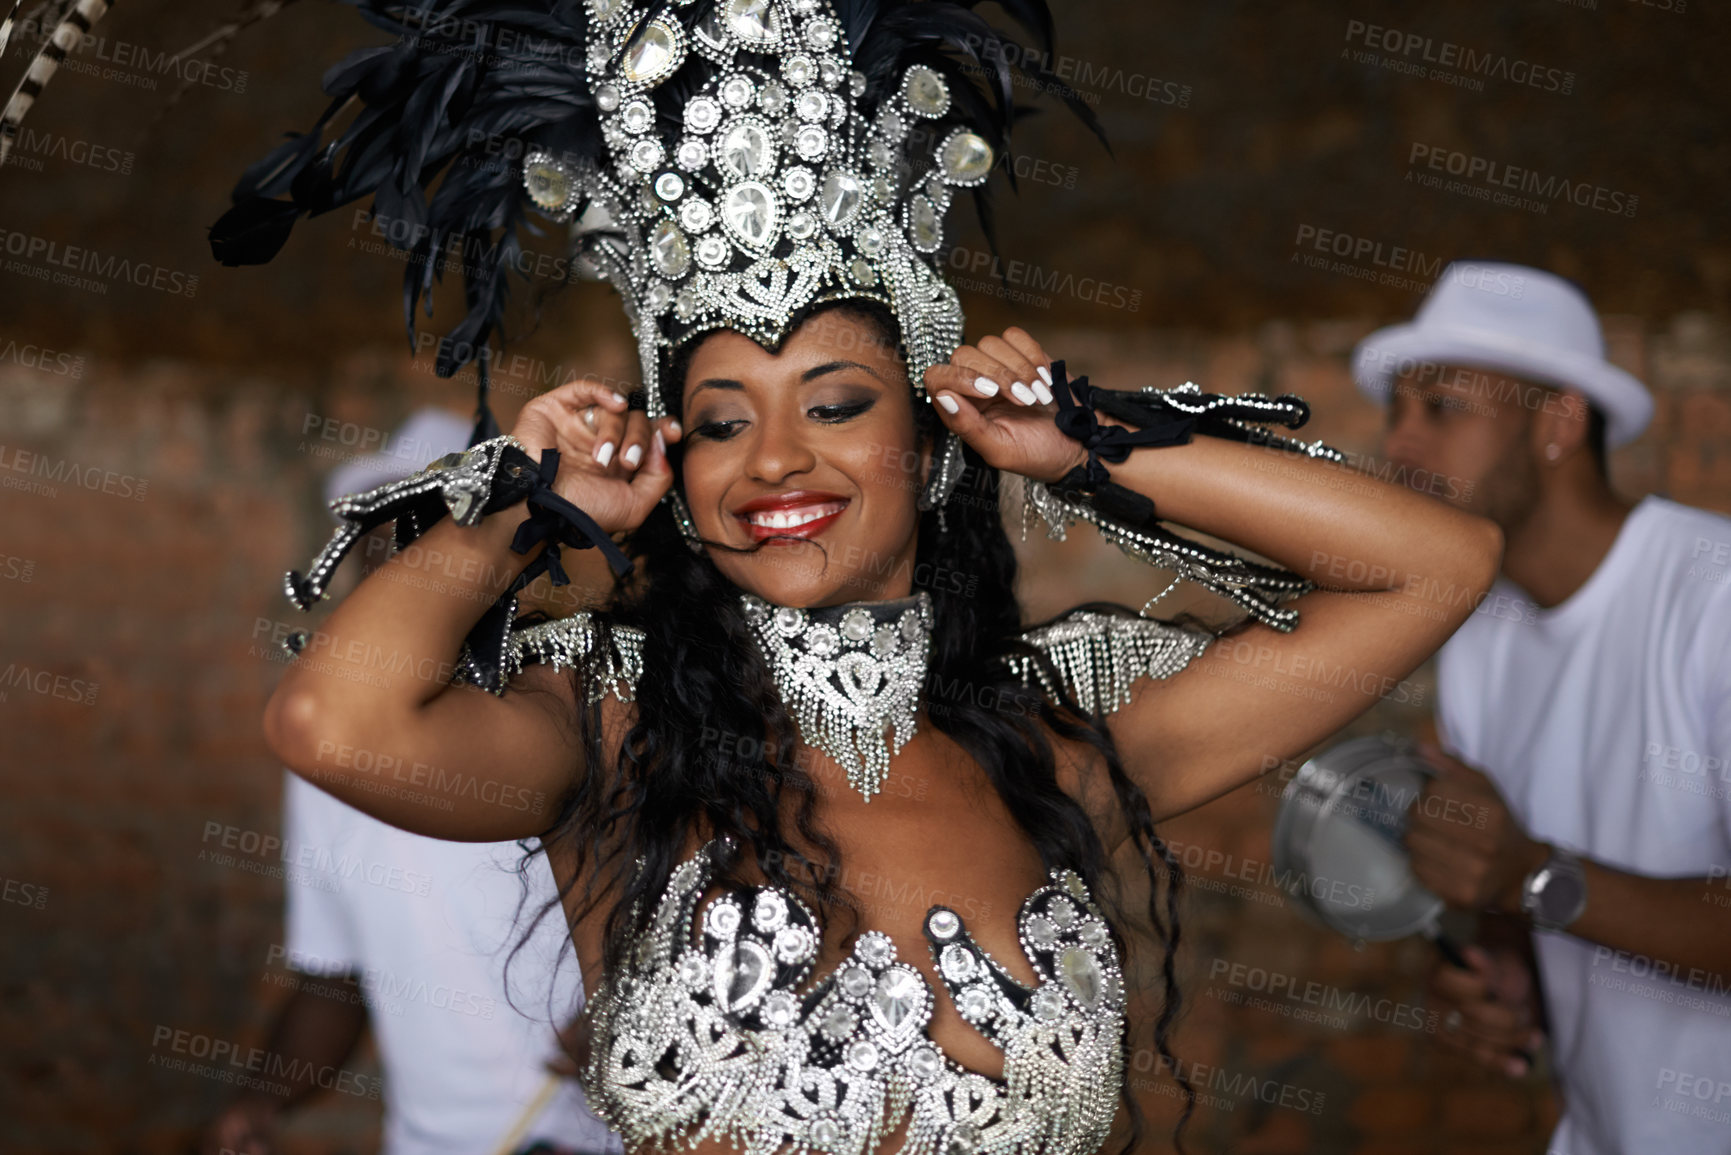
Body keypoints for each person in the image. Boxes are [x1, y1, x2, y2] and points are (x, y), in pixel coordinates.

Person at [212, 2, 1501, 1151]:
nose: (775, 458)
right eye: (720, 420)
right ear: (674, 457)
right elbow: (333, 723)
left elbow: (1434, 567)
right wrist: (532, 504)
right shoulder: (612, 729)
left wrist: (1081, 443)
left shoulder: (1056, 743)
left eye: (833, 404)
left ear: (931, 442)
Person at [1355, 260, 1731, 1155]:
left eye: (1440, 407)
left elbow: (1538, 876)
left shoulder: (1711, 596)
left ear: (1557, 421)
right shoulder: (1479, 631)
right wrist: (1505, 973)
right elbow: (1521, 896)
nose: (1399, 445)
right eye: (1396, 411)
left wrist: (1533, 878)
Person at [203, 409, 621, 1155]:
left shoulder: (571, 714)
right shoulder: (328, 760)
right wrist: (259, 1102)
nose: (396, 562)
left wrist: (633, 1011)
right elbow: (334, 979)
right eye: (382, 539)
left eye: (426, 535)